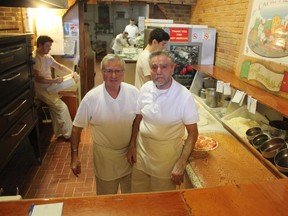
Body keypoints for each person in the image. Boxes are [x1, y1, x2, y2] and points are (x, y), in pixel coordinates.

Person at [127, 50, 199, 193]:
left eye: (164, 67)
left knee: (162, 199)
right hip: (142, 153)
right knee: (138, 193)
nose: (158, 71)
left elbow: (193, 133)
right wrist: (132, 144)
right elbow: (138, 119)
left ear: (172, 69)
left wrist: (181, 162)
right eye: (154, 67)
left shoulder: (184, 96)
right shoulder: (145, 89)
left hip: (166, 158)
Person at [70, 54, 139, 195]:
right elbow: (76, 129)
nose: (113, 75)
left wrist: (133, 144)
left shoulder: (134, 92)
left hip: (129, 154)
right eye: (108, 71)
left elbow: (138, 118)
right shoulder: (92, 98)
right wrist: (75, 157)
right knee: (106, 199)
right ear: (102, 72)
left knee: (132, 197)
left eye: (118, 71)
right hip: (105, 157)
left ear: (123, 73)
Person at [32, 35, 78, 141]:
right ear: (39, 45)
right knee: (62, 107)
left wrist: (72, 73)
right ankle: (69, 134)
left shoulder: (47, 57)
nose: (50, 48)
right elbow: (38, 78)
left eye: (50, 46)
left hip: (49, 87)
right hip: (40, 90)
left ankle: (59, 133)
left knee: (55, 110)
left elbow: (59, 66)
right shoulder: (35, 57)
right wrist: (55, 81)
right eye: (48, 46)